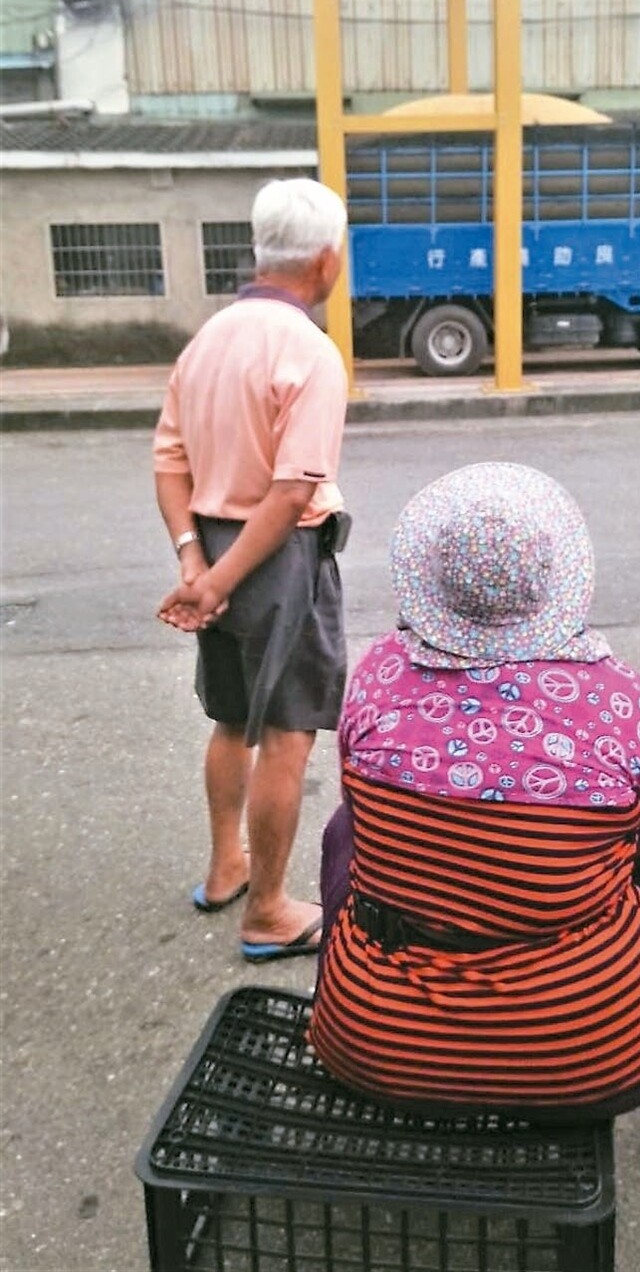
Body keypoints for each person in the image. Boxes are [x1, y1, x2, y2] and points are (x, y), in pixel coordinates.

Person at [310, 462, 640, 1176]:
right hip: (588, 1062)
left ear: (430, 576)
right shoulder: (624, 706)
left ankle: (377, 1005)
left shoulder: (378, 678)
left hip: (367, 1047)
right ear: (559, 577)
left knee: (348, 831)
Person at [153, 177, 349, 964]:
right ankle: (268, 908)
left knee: (231, 717)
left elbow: (168, 461)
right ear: (325, 261)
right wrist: (227, 576)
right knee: (289, 730)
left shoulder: (206, 340)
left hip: (212, 543)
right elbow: (294, 487)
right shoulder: (308, 349)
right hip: (274, 556)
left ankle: (225, 864)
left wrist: (196, 563)